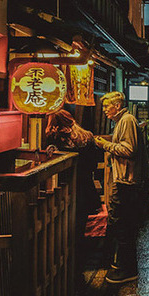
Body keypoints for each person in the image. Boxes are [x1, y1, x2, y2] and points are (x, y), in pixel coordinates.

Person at [94, 92, 149, 284]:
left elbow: (129, 150)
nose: (105, 111)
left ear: (117, 106)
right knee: (123, 224)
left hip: (127, 181)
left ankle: (127, 268)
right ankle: (124, 265)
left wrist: (106, 145)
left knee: (122, 224)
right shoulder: (125, 121)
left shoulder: (126, 120)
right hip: (126, 180)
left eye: (107, 107)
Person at [45, 110, 102, 277]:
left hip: (63, 187)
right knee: (79, 228)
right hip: (85, 186)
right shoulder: (87, 136)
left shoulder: (55, 138)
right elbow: (93, 164)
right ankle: (79, 265)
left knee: (63, 229)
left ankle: (66, 266)